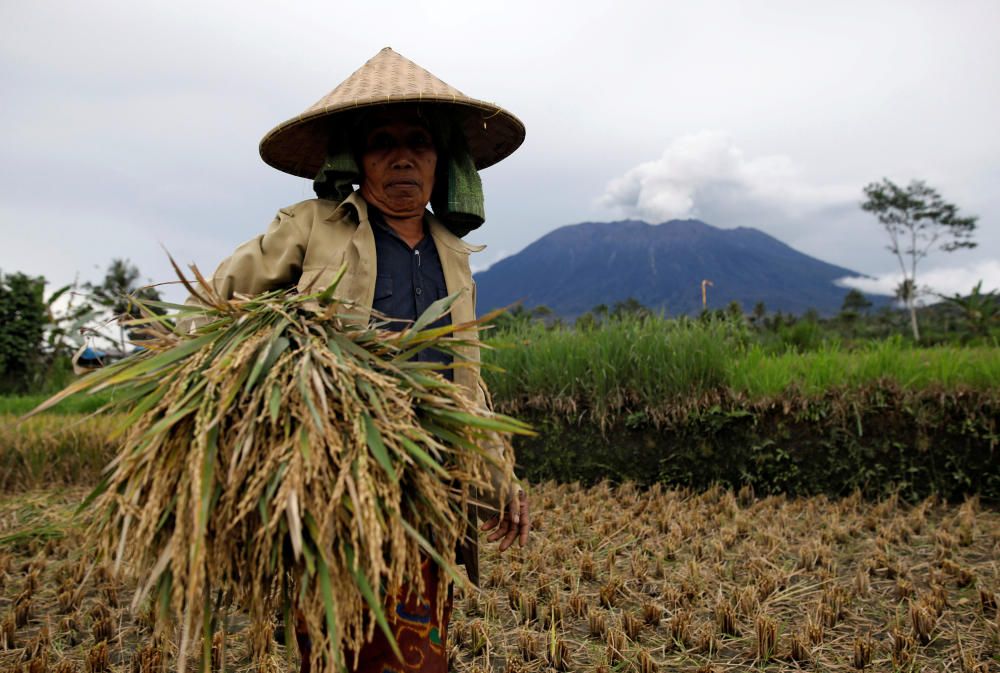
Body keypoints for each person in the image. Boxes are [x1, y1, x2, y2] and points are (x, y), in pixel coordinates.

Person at [192, 48, 530, 672]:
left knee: (420, 643)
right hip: (338, 476)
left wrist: (499, 473)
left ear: (441, 161)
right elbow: (215, 305)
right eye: (382, 141)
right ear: (357, 157)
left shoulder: (454, 251)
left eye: (419, 142)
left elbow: (466, 380)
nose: (402, 156)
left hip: (434, 483)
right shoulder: (313, 226)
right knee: (338, 643)